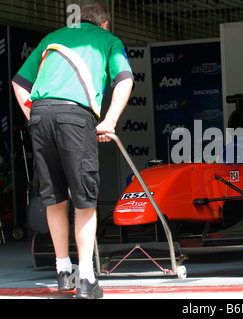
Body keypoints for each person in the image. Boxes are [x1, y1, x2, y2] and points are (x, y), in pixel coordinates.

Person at [11, 3, 134, 298]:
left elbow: (19, 82)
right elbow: (125, 79)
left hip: (39, 113)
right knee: (84, 200)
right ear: (105, 24)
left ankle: (64, 271)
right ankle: (87, 279)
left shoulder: (52, 37)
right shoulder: (108, 40)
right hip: (75, 116)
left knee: (53, 198)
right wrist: (110, 121)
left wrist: (36, 118)